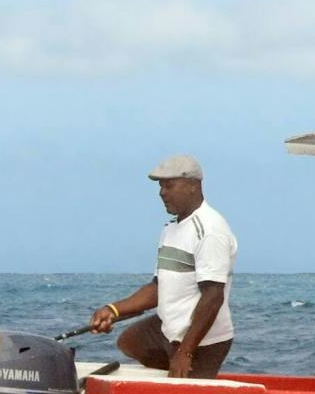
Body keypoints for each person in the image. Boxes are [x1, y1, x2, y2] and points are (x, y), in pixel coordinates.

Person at [89, 154, 238, 378]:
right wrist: (113, 310)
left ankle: (185, 368)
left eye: (169, 186)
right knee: (129, 342)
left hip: (202, 341)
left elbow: (213, 296)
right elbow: (159, 287)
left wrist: (186, 352)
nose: (162, 193)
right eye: (160, 187)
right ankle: (173, 364)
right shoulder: (171, 228)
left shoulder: (209, 230)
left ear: (193, 186)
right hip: (169, 329)